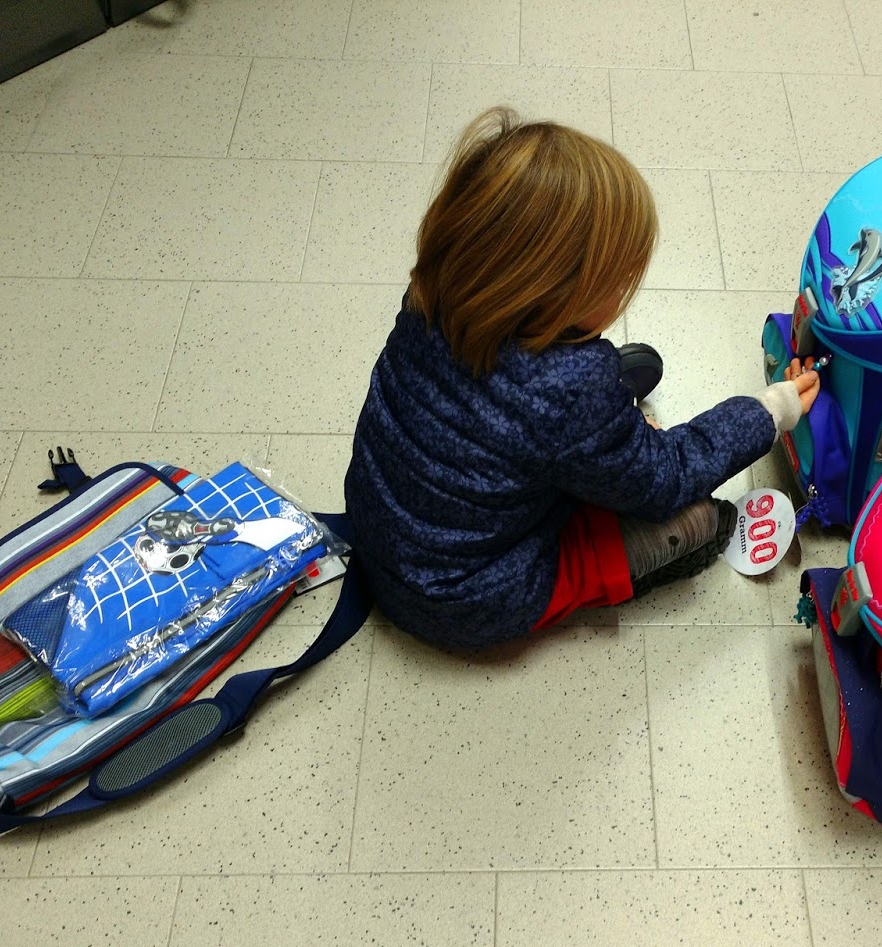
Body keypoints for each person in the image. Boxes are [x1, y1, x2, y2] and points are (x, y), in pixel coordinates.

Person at [343, 107, 819, 650]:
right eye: (617, 281)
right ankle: (664, 538)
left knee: (580, 436)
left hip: (382, 526)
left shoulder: (433, 292)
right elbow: (664, 477)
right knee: (698, 521)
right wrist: (769, 411)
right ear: (560, 293)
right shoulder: (570, 390)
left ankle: (603, 437)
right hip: (464, 597)